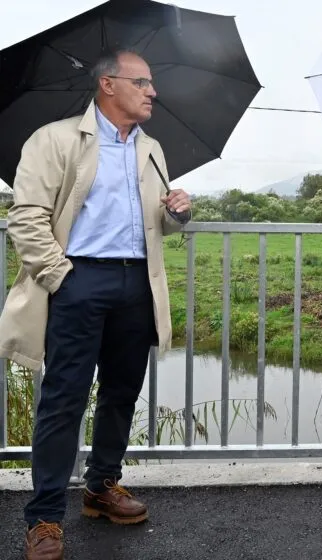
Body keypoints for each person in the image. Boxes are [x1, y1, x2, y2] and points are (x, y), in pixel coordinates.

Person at [0, 49, 191, 560]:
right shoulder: (55, 139)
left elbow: (157, 223)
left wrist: (178, 212)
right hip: (79, 279)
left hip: (136, 285)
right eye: (143, 81)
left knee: (122, 392)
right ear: (109, 84)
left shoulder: (150, 148)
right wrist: (63, 277)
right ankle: (43, 518)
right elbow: (26, 218)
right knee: (64, 399)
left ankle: (101, 487)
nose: (153, 91)